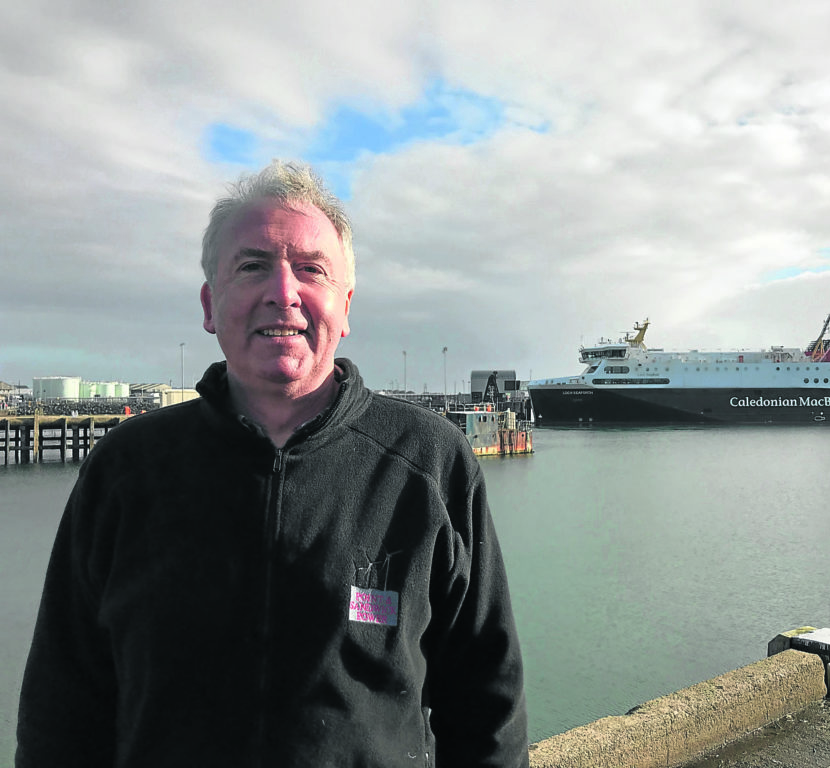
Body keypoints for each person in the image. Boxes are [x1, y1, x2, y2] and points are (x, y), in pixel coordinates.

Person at [17, 160, 528, 767]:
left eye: (311, 269)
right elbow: (62, 705)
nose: (283, 292)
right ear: (210, 305)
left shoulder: (430, 463)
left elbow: (487, 706)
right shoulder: (125, 468)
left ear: (345, 307)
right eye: (252, 265)